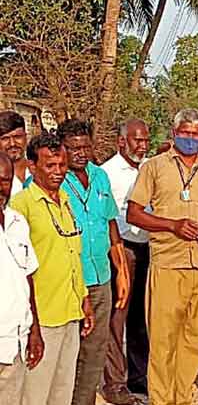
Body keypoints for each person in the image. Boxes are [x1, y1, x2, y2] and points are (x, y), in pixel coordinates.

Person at [126, 109, 198, 405]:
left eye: (196, 134)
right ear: (174, 134)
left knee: (194, 338)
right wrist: (173, 225)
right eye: (185, 133)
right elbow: (134, 213)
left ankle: (182, 397)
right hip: (168, 264)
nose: (190, 139)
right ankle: (160, 400)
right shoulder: (154, 167)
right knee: (162, 340)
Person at [10, 133, 95, 405]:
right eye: (50, 166)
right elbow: (18, 272)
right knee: (35, 394)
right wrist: (32, 325)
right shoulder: (20, 207)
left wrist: (84, 299)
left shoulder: (65, 199)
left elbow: (73, 254)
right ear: (32, 167)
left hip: (70, 310)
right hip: (42, 317)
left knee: (62, 392)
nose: (58, 172)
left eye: (61, 165)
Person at [56, 120, 129, 405]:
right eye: (73, 148)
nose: (80, 153)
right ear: (61, 148)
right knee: (67, 352)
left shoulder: (99, 176)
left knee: (95, 351)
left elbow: (110, 223)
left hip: (101, 278)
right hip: (69, 283)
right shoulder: (51, 179)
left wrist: (121, 271)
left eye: (85, 146)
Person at [101, 119, 151, 405]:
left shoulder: (150, 167)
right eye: (136, 141)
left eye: (145, 140)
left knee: (140, 319)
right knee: (117, 318)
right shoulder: (108, 173)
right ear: (122, 142)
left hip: (147, 247)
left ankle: (139, 378)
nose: (142, 146)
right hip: (121, 249)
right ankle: (114, 383)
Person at [0, 151, 44, 405]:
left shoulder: (18, 222)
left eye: (5, 181)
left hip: (15, 343)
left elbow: (28, 278)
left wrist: (34, 330)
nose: (0, 187)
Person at [0, 111, 31, 196]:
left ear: (25, 137)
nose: (12, 144)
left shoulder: (40, 169)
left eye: (17, 137)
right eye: (5, 139)